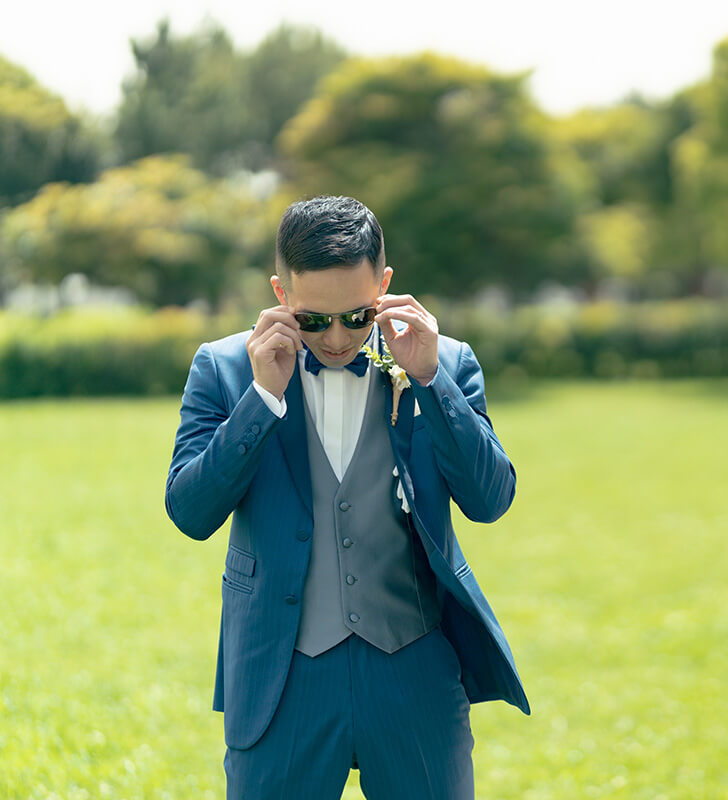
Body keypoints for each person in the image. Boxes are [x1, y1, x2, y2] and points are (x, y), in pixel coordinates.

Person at [165, 195, 527, 799]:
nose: (336, 338)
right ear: (281, 294)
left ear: (384, 286)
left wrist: (434, 381)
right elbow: (190, 512)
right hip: (282, 677)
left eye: (357, 316)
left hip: (413, 670)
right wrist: (260, 399)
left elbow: (490, 500)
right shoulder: (225, 368)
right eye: (313, 319)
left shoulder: (445, 360)